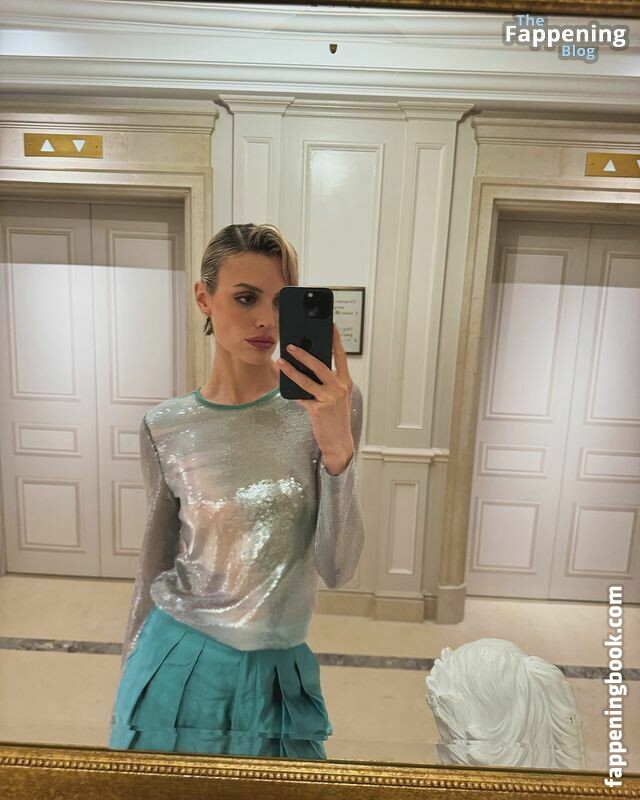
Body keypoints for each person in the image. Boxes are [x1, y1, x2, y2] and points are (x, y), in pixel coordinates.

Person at [108, 222, 365, 759]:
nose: (267, 319)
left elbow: (338, 568)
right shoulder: (165, 426)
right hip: (177, 661)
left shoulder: (328, 406)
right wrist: (131, 671)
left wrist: (338, 453)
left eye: (280, 301)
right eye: (246, 298)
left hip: (277, 673)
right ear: (204, 298)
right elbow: (155, 559)